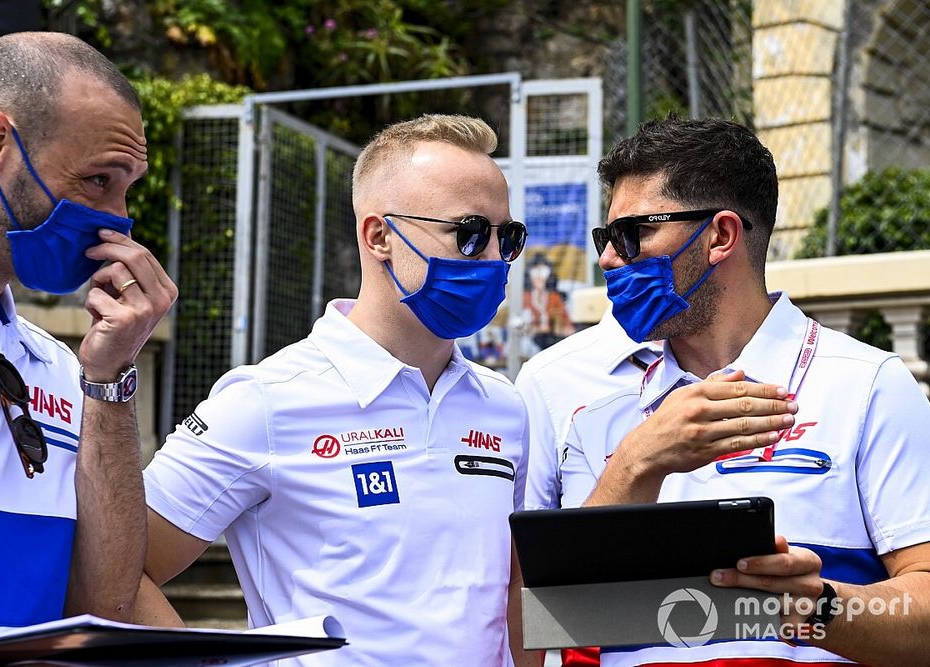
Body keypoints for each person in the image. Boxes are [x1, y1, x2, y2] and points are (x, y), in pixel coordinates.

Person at [136, 115, 531, 666]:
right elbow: (122, 566)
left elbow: (511, 588)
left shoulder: (505, 407)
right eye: (467, 234)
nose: (491, 259)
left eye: (506, 237)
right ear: (379, 237)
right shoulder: (266, 400)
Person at [561, 117, 930, 665]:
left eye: (630, 234)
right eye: (605, 238)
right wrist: (636, 462)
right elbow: (558, 619)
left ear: (720, 236)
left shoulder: (868, 383)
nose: (609, 258)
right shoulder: (593, 414)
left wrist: (819, 610)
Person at [0, 32, 176, 639]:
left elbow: (101, 607)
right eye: (99, 180)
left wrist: (109, 377)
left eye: (127, 189)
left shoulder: (63, 367)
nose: (118, 218)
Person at [516, 305, 660, 667]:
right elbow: (525, 573)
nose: (612, 254)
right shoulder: (549, 380)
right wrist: (629, 466)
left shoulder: (806, 370)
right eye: (602, 243)